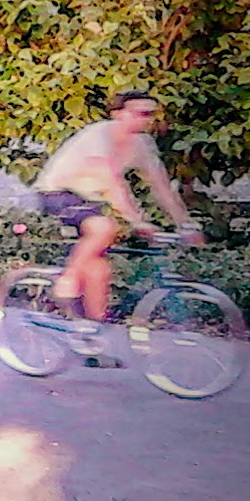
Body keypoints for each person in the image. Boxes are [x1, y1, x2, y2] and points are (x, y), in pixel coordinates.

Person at [34, 90, 202, 344]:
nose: (146, 119)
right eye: (140, 113)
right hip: (58, 192)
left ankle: (89, 336)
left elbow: (162, 187)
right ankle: (66, 282)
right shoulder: (99, 135)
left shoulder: (143, 144)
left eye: (151, 114)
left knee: (99, 270)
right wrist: (137, 220)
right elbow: (111, 180)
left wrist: (186, 224)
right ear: (118, 114)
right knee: (104, 227)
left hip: (89, 199)